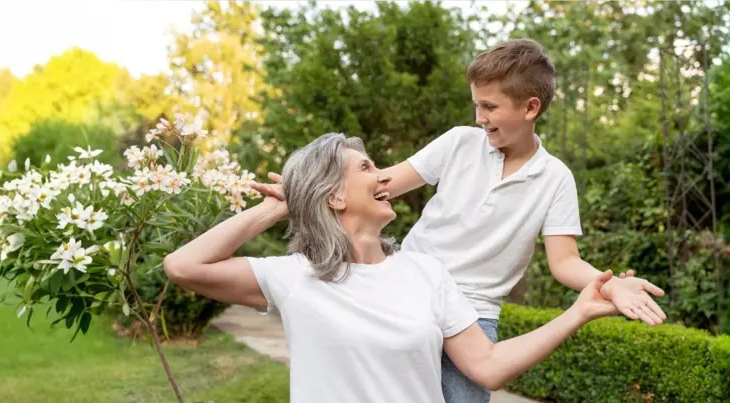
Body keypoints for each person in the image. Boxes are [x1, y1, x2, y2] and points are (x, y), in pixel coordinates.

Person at [251, 38, 668, 402]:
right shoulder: (459, 144)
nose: (479, 118)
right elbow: (382, 183)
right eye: (476, 105)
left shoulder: (556, 178)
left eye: (489, 107)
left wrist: (609, 283)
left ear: (530, 107)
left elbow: (564, 262)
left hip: (474, 311)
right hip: (408, 290)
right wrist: (307, 188)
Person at [165, 133, 623, 403]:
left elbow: (488, 367)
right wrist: (279, 208)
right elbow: (183, 265)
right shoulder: (294, 276)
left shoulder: (426, 273)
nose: (381, 176)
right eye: (366, 168)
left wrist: (578, 311)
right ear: (335, 197)